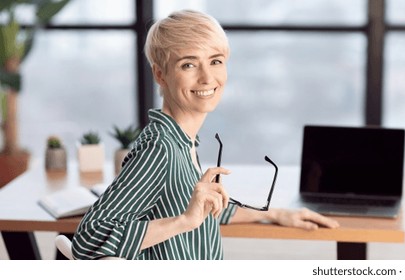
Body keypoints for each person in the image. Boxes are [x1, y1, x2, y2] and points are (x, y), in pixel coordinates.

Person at [71, 10, 339, 260]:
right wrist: (183, 222)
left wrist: (277, 213)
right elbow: (88, 238)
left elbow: (197, 208)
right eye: (189, 65)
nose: (207, 78)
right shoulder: (160, 149)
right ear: (160, 75)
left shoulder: (182, 140)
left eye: (215, 61)